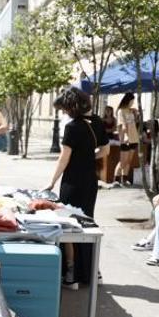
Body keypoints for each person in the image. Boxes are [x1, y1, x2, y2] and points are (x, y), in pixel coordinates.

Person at [44, 87, 109, 290]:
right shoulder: (97, 122)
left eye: (64, 108)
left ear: (71, 107)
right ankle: (92, 272)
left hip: (72, 181)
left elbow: (64, 158)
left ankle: (71, 274)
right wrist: (88, 157)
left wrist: (52, 181)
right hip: (90, 180)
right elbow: (105, 150)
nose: (64, 112)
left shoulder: (72, 127)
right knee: (87, 224)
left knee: (68, 224)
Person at [115, 92, 139, 186]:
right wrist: (125, 137)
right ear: (128, 100)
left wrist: (136, 114)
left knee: (129, 160)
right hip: (126, 138)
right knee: (123, 161)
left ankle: (124, 179)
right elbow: (123, 125)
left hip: (134, 138)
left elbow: (134, 123)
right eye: (132, 101)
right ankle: (116, 179)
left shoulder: (131, 110)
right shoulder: (121, 111)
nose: (133, 103)